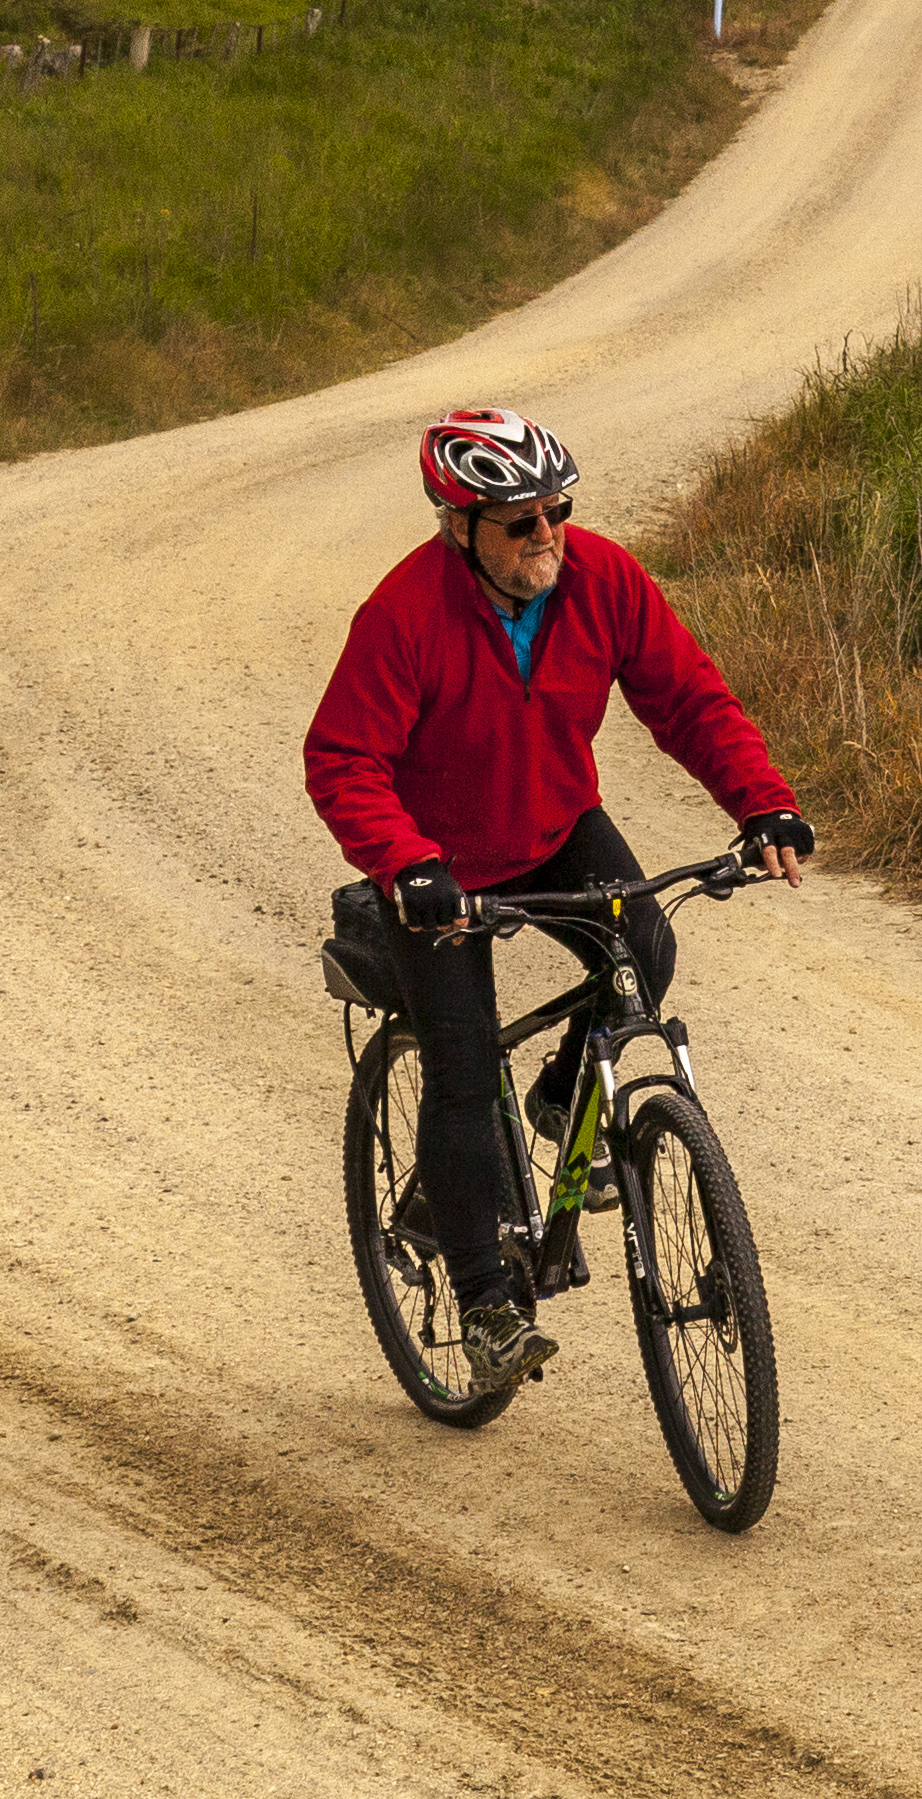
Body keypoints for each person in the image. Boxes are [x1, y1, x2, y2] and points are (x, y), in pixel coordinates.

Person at [307, 407, 814, 1386]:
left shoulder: (602, 582)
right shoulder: (405, 616)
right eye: (519, 520)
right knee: (460, 1068)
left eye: (556, 510)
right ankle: (487, 1303)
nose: (547, 534)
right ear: (460, 527)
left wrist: (764, 806)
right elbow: (343, 759)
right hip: (439, 872)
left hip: (555, 830)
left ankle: (559, 1099)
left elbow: (689, 698)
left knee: (647, 954)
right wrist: (407, 864)